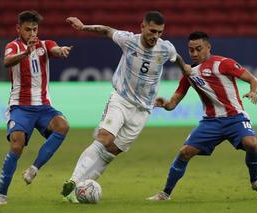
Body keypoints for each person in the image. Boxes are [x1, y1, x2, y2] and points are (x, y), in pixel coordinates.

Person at [61, 11, 191, 203]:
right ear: (143, 27)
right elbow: (105, 30)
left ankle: (78, 191)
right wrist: (83, 27)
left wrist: (184, 67)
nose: (155, 36)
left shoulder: (165, 48)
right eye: (152, 31)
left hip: (143, 110)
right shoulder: (129, 40)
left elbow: (176, 57)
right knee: (105, 139)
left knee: (112, 151)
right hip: (121, 100)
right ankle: (73, 180)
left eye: (160, 32)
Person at [147, 31, 257, 201]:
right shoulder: (189, 74)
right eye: (191, 50)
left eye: (198, 49)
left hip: (235, 118)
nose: (195, 53)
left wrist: (252, 92)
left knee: (251, 143)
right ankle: (165, 193)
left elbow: (254, 80)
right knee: (184, 152)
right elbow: (174, 103)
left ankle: (255, 181)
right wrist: (165, 104)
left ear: (208, 47)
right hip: (210, 122)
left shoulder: (223, 63)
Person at [0, 10, 73, 205]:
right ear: (18, 28)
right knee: (17, 144)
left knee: (63, 126)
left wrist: (61, 50)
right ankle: (2, 193)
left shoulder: (45, 45)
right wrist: (26, 52)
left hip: (43, 107)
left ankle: (33, 169)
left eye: (35, 29)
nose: (32, 33)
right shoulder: (12, 46)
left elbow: (54, 49)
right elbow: (6, 62)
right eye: (28, 29)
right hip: (20, 107)